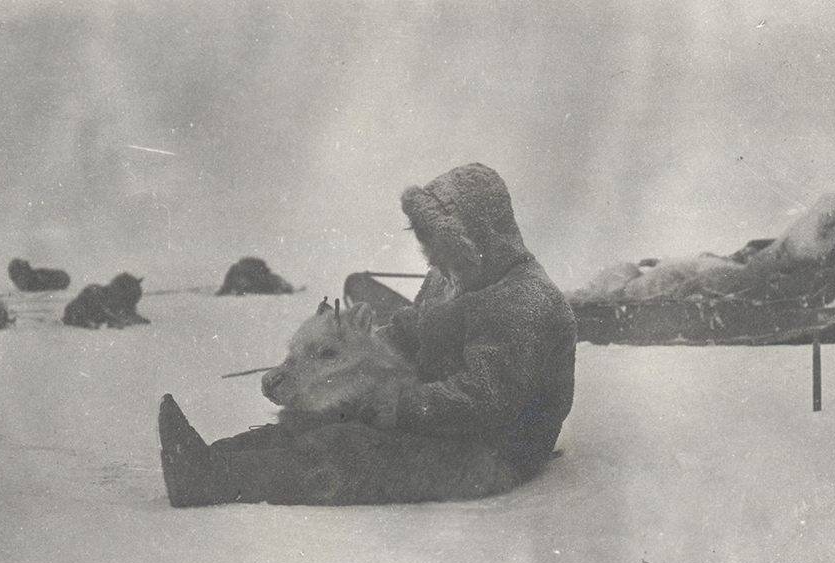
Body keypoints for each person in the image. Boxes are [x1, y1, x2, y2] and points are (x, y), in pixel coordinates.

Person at [159, 162, 576, 506]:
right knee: (316, 418)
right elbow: (411, 328)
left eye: (439, 240)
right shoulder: (453, 276)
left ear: (478, 234)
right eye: (427, 240)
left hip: (493, 449)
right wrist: (360, 349)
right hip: (438, 416)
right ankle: (205, 459)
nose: (429, 253)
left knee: (351, 449)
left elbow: (487, 397)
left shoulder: (524, 299)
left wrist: (399, 405)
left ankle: (212, 481)